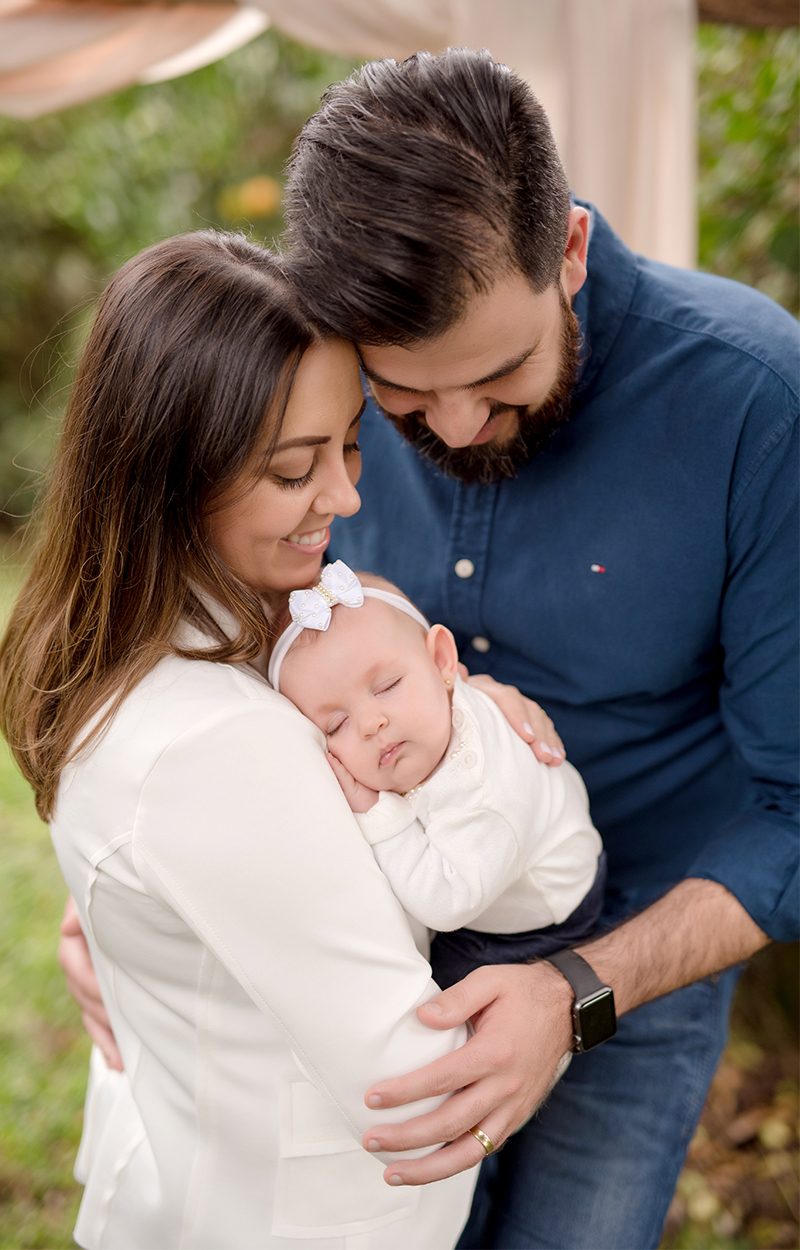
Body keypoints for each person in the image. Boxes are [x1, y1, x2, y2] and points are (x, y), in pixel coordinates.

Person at [58, 47, 798, 1250]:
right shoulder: (313, 386)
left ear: (564, 251)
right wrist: (131, 904)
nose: (453, 427)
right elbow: (220, 633)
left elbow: (795, 804)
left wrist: (580, 991)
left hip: (624, 977)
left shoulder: (751, 400)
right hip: (362, 939)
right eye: (400, 404)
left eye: (500, 375)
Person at [2, 228, 570, 1249]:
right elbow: (417, 1078)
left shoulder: (150, 647)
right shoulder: (218, 742)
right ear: (169, 476)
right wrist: (574, 999)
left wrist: (444, 716)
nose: (345, 497)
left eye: (349, 444)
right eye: (295, 467)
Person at [269, 563, 604, 991]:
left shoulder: (484, 792)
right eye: (336, 725)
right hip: (497, 858)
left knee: (443, 1002)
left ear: (443, 661)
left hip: (540, 917)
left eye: (387, 685)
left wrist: (378, 814)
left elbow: (447, 905)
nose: (372, 723)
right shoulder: (430, 712)